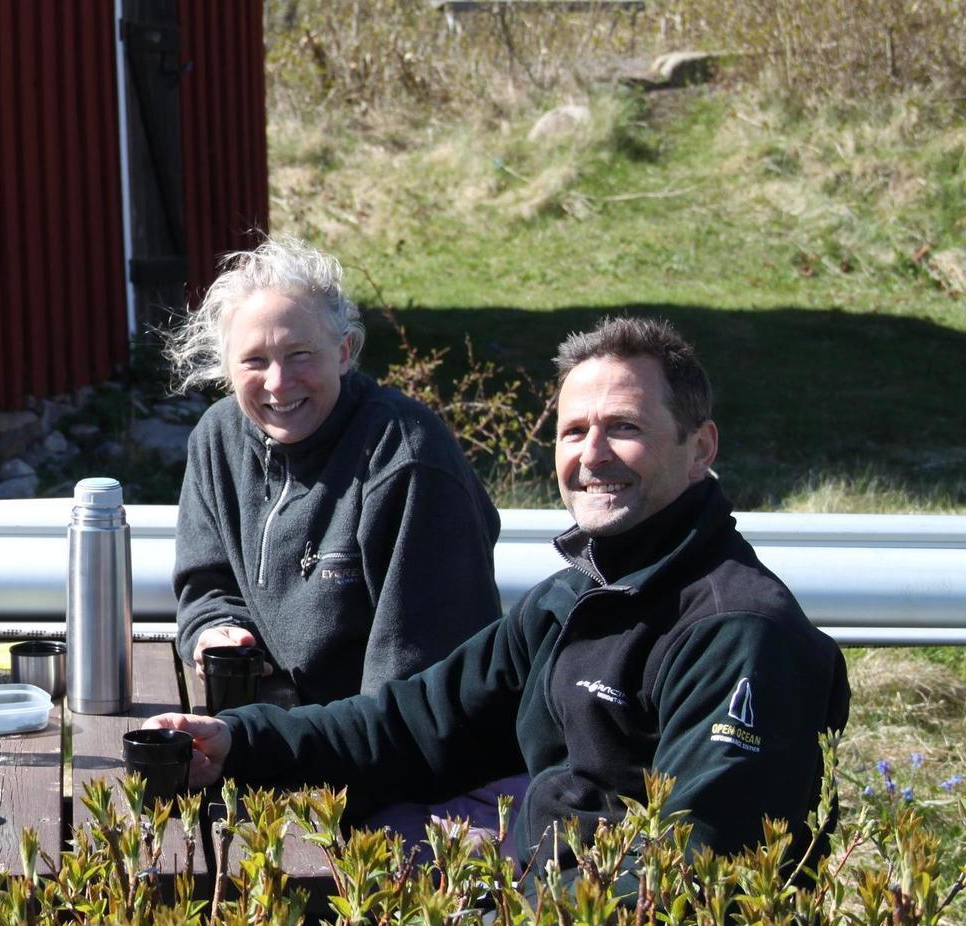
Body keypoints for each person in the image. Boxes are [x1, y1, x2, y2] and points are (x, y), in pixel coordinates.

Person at [151, 317, 851, 879]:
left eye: (626, 428)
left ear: (700, 448)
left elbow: (695, 875)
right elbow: (411, 725)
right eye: (574, 431)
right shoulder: (574, 598)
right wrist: (241, 740)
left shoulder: (736, 633)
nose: (593, 454)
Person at [166, 235, 519, 834]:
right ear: (226, 370)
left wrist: (268, 754)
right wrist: (214, 630)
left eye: (301, 354)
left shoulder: (406, 463)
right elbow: (207, 581)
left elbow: (415, 706)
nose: (278, 383)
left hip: (407, 782)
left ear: (346, 351)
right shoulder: (219, 438)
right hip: (286, 745)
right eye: (254, 361)